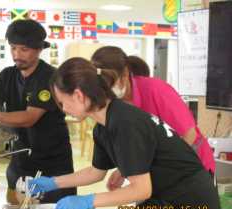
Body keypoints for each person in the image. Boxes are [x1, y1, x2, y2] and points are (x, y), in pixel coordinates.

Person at [30, 57, 220, 209]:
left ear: (78, 95)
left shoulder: (125, 121)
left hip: (191, 204)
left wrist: (89, 201)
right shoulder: (103, 126)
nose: (63, 110)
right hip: (163, 200)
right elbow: (96, 172)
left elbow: (140, 189)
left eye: (62, 102)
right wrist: (52, 183)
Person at [0, 19, 75, 203]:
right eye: (13, 48)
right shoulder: (8, 75)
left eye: (24, 49)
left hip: (52, 164)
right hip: (20, 161)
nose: (17, 55)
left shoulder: (49, 77)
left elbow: (29, 118)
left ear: (39, 49)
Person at [90, 46, 215, 192]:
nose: (108, 90)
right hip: (157, 176)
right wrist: (125, 169)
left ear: (124, 74)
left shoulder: (156, 90)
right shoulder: (114, 105)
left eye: (111, 83)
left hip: (191, 168)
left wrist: (148, 168)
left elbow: (189, 135)